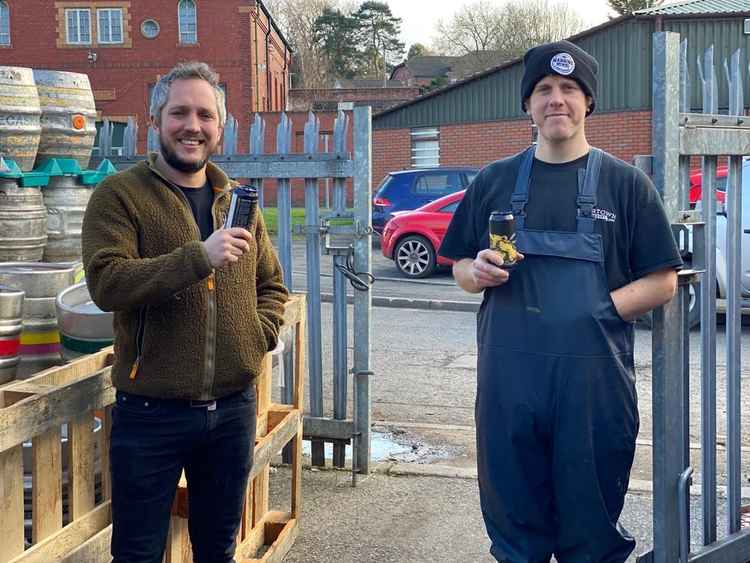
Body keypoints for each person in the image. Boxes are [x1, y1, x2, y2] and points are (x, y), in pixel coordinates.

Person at [439, 41, 682, 562]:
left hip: (593, 394)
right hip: (509, 390)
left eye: (569, 89)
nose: (557, 100)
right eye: (544, 90)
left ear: (587, 102)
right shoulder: (494, 180)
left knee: (590, 537)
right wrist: (474, 273)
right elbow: (457, 265)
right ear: (527, 104)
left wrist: (597, 312)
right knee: (515, 535)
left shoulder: (626, 185)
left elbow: (663, 280)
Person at [81, 62, 288, 563]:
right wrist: (199, 257)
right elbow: (107, 283)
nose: (192, 125)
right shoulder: (120, 196)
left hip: (233, 409)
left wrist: (254, 338)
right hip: (150, 413)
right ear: (156, 122)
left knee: (217, 549)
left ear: (219, 126)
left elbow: (273, 286)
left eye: (205, 114)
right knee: (137, 552)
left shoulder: (237, 200)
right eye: (179, 113)